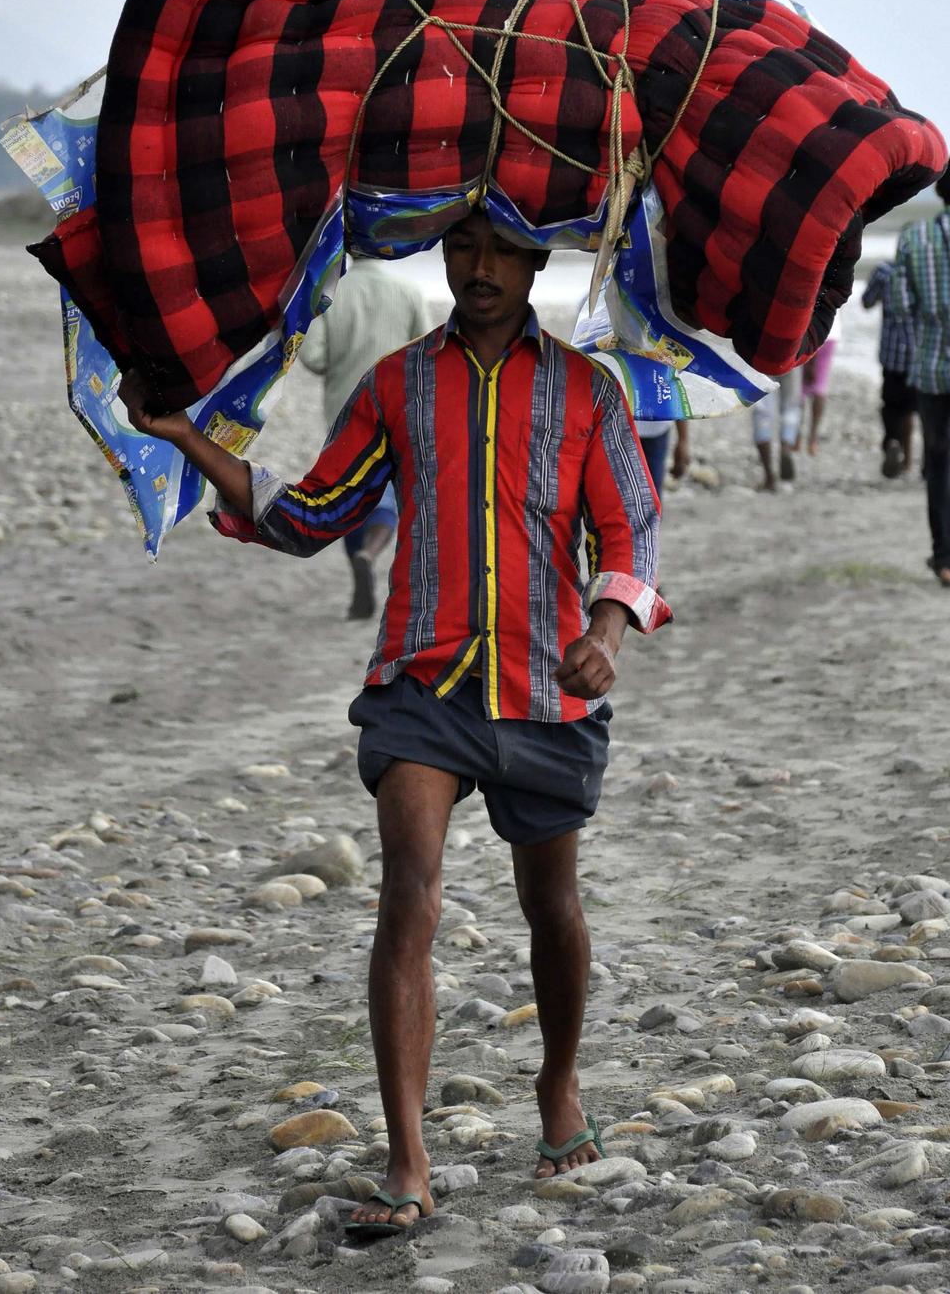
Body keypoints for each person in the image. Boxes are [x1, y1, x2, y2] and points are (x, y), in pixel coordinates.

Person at [120, 211, 670, 1234]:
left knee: (551, 905)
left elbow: (629, 525)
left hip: (546, 686)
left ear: (538, 258)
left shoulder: (588, 390)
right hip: (422, 682)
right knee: (408, 894)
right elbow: (307, 513)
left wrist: (607, 628)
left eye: (501, 248)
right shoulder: (396, 383)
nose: (479, 267)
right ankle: (406, 1157)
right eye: (461, 247)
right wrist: (186, 434)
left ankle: (557, 1083)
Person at [298, 254, 432, 618]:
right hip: (398, 409)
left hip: (345, 413)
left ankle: (360, 563)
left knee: (348, 493)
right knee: (387, 492)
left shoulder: (332, 296)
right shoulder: (408, 291)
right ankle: (370, 555)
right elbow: (429, 352)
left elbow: (313, 357)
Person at [890, 157, 950, 588]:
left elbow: (900, 307)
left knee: (937, 460)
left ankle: (945, 557)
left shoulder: (915, 236)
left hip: (932, 367)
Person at [861, 258, 918, 478]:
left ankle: (893, 441)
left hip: (890, 354)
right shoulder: (923, 271)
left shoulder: (884, 272)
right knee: (910, 409)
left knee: (891, 405)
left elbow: (866, 302)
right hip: (916, 353)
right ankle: (908, 462)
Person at [752, 368, 803, 490]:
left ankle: (769, 476)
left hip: (760, 362)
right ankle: (785, 448)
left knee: (762, 412)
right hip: (792, 361)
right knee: (791, 407)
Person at [799, 314, 841, 456]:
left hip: (812, 332)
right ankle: (812, 439)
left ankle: (796, 436)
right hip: (832, 332)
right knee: (820, 387)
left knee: (802, 389)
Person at [636, 419, 689, 501]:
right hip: (620, 429)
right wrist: (683, 440)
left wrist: (683, 440)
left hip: (656, 432)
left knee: (652, 496)